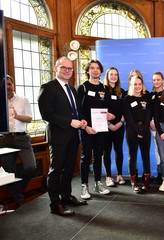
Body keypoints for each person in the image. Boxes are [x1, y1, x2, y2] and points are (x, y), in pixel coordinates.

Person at [38, 56, 88, 216]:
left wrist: (81, 120)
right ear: (55, 68)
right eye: (63, 68)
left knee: (68, 169)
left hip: (73, 136)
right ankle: (55, 204)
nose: (67, 71)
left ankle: (66, 196)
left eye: (70, 68)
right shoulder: (48, 87)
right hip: (59, 136)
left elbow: (75, 111)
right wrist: (69, 122)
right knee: (56, 170)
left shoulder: (72, 89)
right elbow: (47, 114)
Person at [77, 60, 115, 199]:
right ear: (88, 70)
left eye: (97, 68)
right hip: (86, 128)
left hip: (101, 128)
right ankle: (84, 185)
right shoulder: (83, 87)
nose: (95, 70)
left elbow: (106, 108)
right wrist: (85, 126)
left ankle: (98, 183)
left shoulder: (104, 89)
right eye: (92, 68)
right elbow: (78, 110)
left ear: (101, 71)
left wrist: (109, 115)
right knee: (86, 156)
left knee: (98, 155)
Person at [0, 75, 36, 209]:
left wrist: (17, 116)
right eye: (5, 85)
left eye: (9, 84)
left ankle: (17, 190)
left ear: (13, 84)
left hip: (22, 138)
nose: (7, 87)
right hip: (5, 140)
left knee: (31, 166)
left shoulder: (23, 99)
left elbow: (29, 118)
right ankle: (19, 199)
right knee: (10, 172)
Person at [123, 75, 152, 193]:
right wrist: (137, 131)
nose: (137, 86)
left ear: (142, 85)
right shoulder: (127, 99)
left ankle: (147, 179)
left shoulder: (147, 97)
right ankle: (133, 181)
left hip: (145, 129)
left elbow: (149, 114)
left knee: (146, 155)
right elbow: (128, 117)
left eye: (139, 84)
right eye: (135, 84)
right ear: (131, 85)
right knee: (132, 155)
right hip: (132, 129)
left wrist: (143, 130)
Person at [102, 67, 126, 187]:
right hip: (106, 127)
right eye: (111, 74)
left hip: (119, 126)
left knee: (119, 150)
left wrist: (120, 123)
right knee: (107, 151)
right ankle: (108, 177)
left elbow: (125, 110)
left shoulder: (122, 92)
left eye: (116, 75)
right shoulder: (102, 90)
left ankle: (119, 175)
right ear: (107, 76)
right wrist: (109, 124)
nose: (113, 77)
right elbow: (100, 109)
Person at [150, 71, 164, 183]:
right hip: (153, 126)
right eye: (154, 80)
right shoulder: (151, 95)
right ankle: (160, 173)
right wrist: (151, 122)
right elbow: (149, 111)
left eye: (158, 79)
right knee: (157, 150)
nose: (156, 82)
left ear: (163, 81)